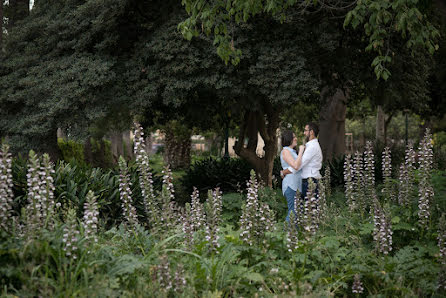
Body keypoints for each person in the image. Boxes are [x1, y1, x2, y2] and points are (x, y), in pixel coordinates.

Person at [281, 122, 322, 200]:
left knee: (311, 209)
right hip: (309, 180)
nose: (304, 133)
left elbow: (299, 165)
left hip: (310, 181)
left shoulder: (312, 147)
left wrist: (284, 172)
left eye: (306, 130)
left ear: (311, 132)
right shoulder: (310, 145)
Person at [279, 130, 303, 222]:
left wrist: (283, 172)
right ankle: (287, 234)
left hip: (296, 186)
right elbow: (296, 166)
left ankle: (293, 234)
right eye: (294, 137)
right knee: (293, 212)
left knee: (297, 212)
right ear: (289, 139)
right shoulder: (285, 151)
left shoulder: (292, 151)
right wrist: (301, 151)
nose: (296, 139)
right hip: (291, 185)